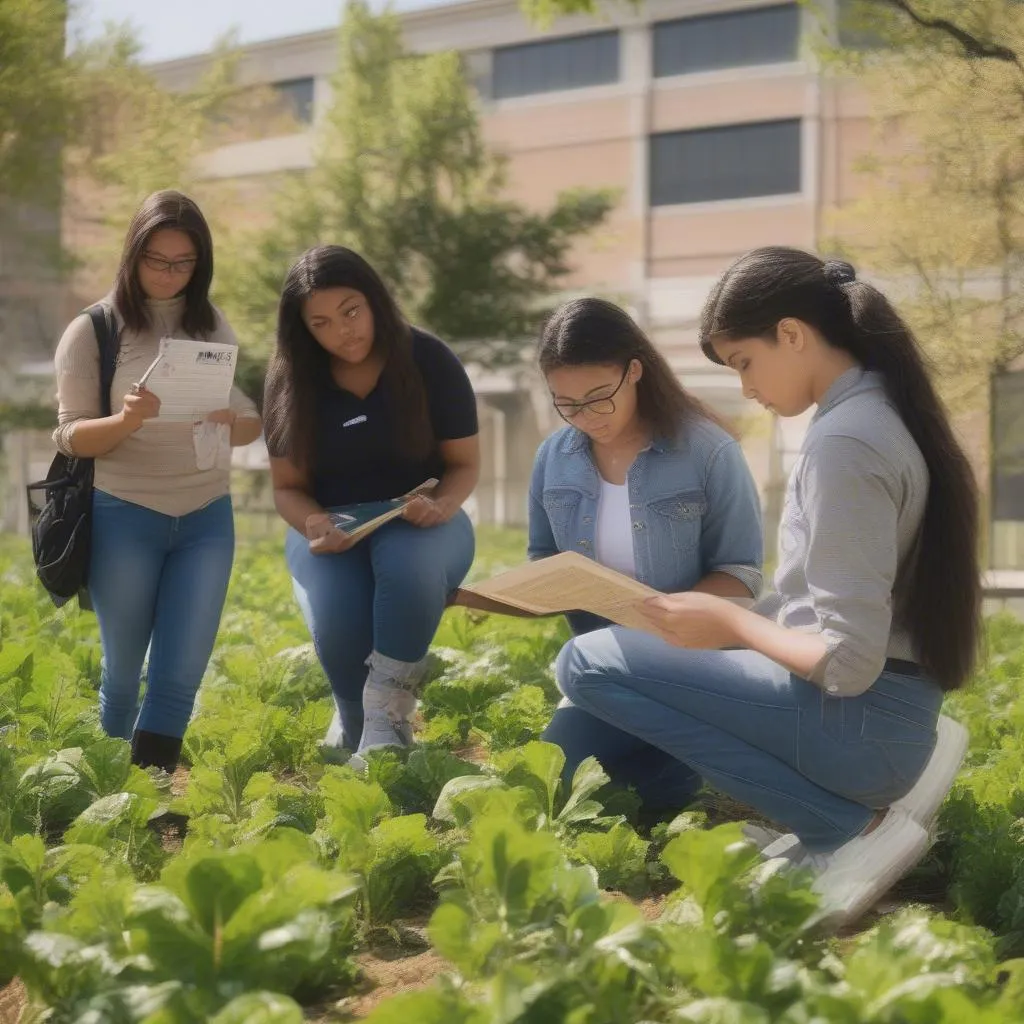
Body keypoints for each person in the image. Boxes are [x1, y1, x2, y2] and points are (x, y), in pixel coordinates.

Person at [552, 248, 977, 927]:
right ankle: (833, 821)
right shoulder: (880, 414)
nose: (744, 387)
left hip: (862, 725)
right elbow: (821, 608)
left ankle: (838, 826)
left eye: (743, 361)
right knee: (628, 656)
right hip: (883, 717)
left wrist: (732, 627)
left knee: (585, 661)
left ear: (792, 334)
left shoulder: (847, 443)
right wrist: (718, 614)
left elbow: (847, 660)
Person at [528, 297, 765, 815]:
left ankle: (688, 749)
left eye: (598, 397)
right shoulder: (554, 458)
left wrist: (673, 618)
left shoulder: (707, 450)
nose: (586, 417)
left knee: (644, 799)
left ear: (634, 370)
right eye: (566, 403)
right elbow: (543, 558)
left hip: (692, 663)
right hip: (604, 668)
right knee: (555, 784)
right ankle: (670, 754)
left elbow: (743, 574)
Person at [52, 189, 262, 772]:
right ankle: (108, 790)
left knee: (180, 673)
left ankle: (149, 793)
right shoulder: (92, 329)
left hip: (205, 516)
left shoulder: (210, 323)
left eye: (183, 263)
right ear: (133, 255)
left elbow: (248, 419)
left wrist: (233, 421)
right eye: (157, 260)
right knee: (122, 674)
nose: (170, 274)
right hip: (124, 512)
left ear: (200, 264)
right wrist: (126, 419)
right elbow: (69, 436)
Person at [262, 245, 479, 763]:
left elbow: (464, 465)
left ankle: (388, 713)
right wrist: (313, 522)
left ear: (375, 301)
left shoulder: (429, 359)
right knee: (338, 613)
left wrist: (443, 505)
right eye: (321, 322)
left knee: (408, 563)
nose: (343, 330)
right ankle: (357, 713)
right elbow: (287, 487)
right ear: (303, 330)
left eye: (351, 311)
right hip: (331, 529)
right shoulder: (287, 380)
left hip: (423, 523)